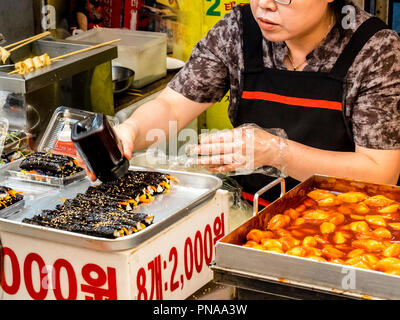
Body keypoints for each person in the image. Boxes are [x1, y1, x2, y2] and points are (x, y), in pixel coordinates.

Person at [82, 0, 400, 201]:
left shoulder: (374, 49)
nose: (264, 6)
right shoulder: (238, 29)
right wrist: (131, 131)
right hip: (251, 219)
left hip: (346, 225)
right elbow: (173, 104)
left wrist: (277, 151)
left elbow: (380, 172)